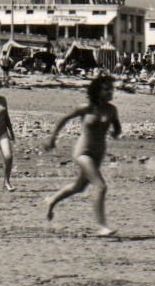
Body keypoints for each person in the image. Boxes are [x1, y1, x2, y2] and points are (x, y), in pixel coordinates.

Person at [45, 73, 122, 236]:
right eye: (107, 89)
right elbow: (64, 119)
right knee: (100, 186)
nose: (111, 92)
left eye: (112, 89)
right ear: (97, 91)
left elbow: (117, 128)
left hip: (98, 153)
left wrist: (115, 133)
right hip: (83, 152)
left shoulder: (111, 109)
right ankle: (102, 226)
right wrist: (52, 139)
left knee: (79, 187)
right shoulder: (85, 108)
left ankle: (52, 201)